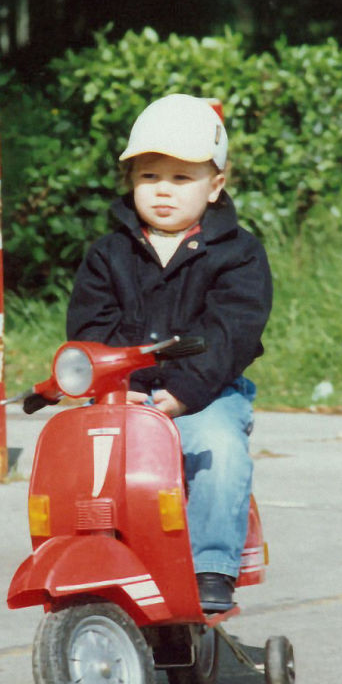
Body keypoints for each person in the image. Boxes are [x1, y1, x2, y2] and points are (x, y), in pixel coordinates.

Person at [66, 93, 272, 612]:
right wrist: (120, 390)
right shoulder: (108, 253)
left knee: (218, 450)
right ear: (131, 182)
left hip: (206, 393)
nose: (163, 192)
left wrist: (182, 393)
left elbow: (232, 332)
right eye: (149, 177)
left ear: (215, 185)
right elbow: (91, 328)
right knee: (84, 462)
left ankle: (212, 566)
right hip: (123, 397)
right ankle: (97, 558)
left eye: (182, 179)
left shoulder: (238, 253)